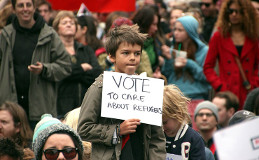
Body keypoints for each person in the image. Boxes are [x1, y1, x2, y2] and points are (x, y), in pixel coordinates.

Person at [77, 24, 166, 160]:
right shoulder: (100, 87)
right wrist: (117, 130)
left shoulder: (147, 88)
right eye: (126, 53)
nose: (133, 58)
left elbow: (157, 137)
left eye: (137, 53)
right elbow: (84, 129)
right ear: (112, 57)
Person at [0, 0, 72, 128]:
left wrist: (44, 69)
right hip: (10, 110)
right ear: (14, 9)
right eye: (20, 5)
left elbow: (65, 66)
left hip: (40, 110)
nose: (25, 9)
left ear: (34, 8)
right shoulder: (5, 35)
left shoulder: (49, 34)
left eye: (28, 5)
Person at [203, 0, 259, 109]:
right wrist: (220, 86)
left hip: (247, 91)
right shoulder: (218, 36)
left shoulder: (253, 37)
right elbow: (208, 67)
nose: (234, 14)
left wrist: (254, 84)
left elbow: (258, 65)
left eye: (238, 11)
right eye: (231, 11)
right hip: (226, 94)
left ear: (246, 13)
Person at [52, 11, 103, 118]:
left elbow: (97, 73)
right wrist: (82, 68)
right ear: (57, 29)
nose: (69, 24)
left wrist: (73, 73)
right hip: (61, 106)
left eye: (72, 22)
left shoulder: (86, 49)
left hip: (86, 106)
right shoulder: (53, 51)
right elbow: (59, 73)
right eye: (64, 22)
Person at [162, 85, 206, 159]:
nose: (162, 127)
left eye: (164, 122)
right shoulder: (157, 136)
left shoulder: (193, 139)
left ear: (178, 114)